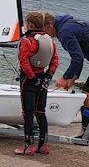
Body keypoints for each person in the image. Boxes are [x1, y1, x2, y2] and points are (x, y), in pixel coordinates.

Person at [16, 12, 59, 156]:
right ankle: (43, 145)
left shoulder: (26, 41)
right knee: (41, 112)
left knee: (28, 113)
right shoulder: (50, 42)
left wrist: (32, 78)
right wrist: (47, 78)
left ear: (30, 25)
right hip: (43, 79)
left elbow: (24, 63)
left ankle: (28, 147)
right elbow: (55, 62)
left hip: (29, 81)